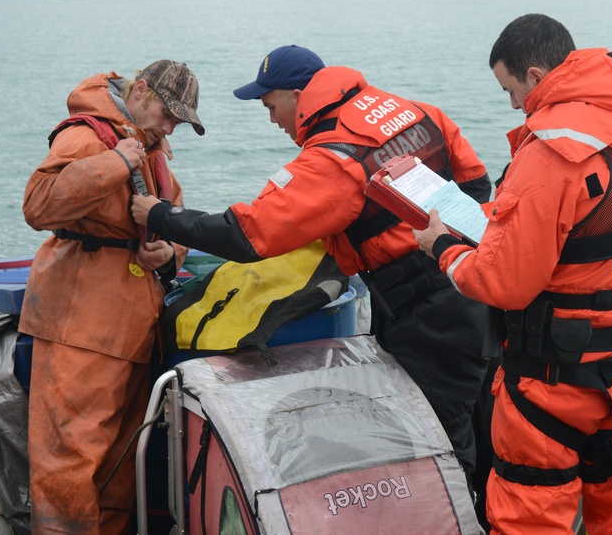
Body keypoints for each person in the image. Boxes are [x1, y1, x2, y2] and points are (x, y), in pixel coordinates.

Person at [130, 45, 494, 514]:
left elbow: (248, 233)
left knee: (440, 440)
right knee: (480, 422)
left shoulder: (333, 158)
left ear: (298, 96)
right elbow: (478, 186)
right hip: (471, 290)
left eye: (270, 106)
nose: (272, 120)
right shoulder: (416, 112)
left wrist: (163, 215)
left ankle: (456, 521)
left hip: (425, 314)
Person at [413, 14, 612, 535]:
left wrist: (444, 246)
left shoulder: (550, 150)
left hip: (552, 384)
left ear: (538, 76)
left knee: (530, 519)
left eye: (511, 90)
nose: (514, 105)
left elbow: (503, 283)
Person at [20, 60, 204, 534]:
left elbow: (174, 214)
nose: (170, 127)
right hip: (78, 325)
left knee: (122, 463)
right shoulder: (85, 135)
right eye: (168, 114)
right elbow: (38, 204)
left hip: (131, 328)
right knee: (70, 460)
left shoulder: (152, 146)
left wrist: (169, 251)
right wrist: (115, 162)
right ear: (140, 91)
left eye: (178, 122)